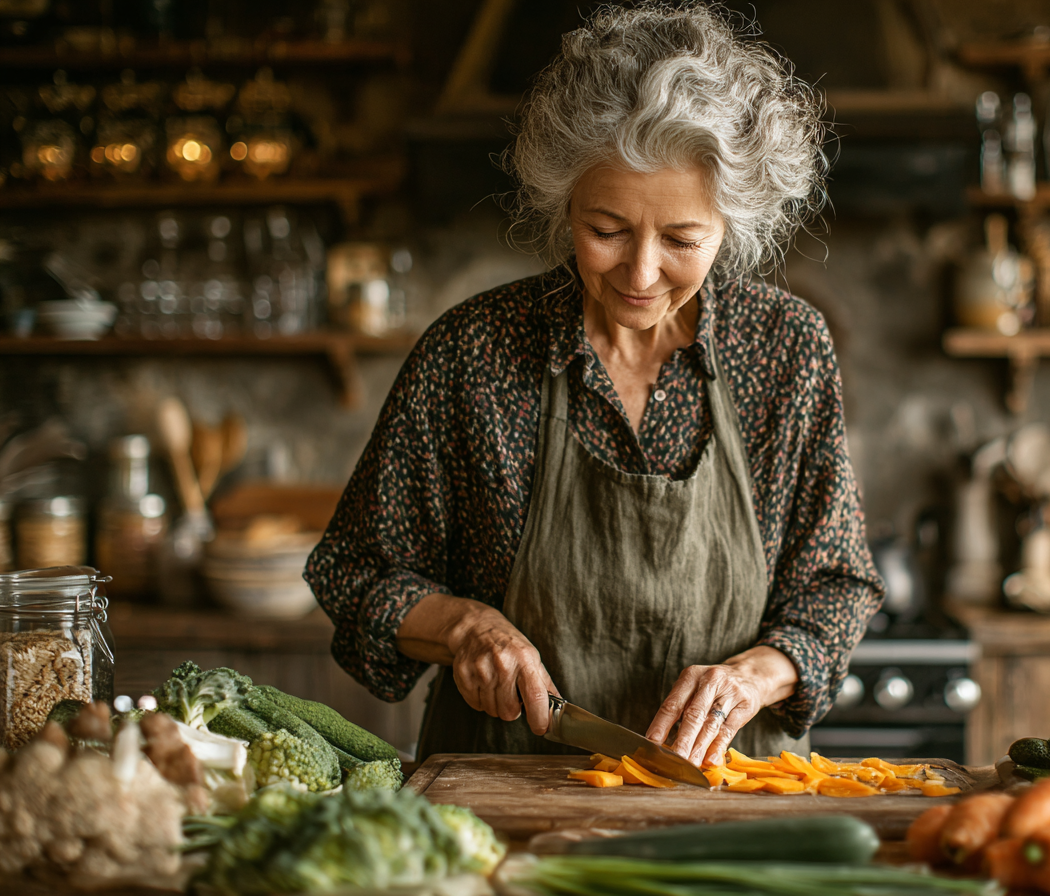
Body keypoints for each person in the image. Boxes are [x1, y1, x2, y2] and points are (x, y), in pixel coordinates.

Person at [306, 2, 883, 768]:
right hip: (505, 788)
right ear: (563, 202)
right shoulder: (474, 351)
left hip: (733, 791)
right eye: (605, 230)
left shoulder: (785, 348)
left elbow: (836, 587)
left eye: (681, 239)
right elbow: (355, 570)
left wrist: (757, 674)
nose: (640, 274)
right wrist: (463, 628)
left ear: (732, 225)